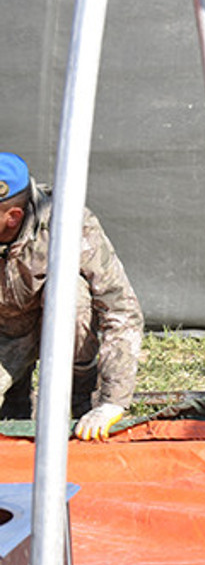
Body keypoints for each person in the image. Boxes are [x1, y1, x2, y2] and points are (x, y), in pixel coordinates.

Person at [0, 152, 144, 440]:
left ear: (13, 217)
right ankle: (15, 402)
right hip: (7, 337)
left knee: (70, 294)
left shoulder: (67, 223)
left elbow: (121, 309)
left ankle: (82, 395)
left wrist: (112, 400)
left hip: (68, 336)